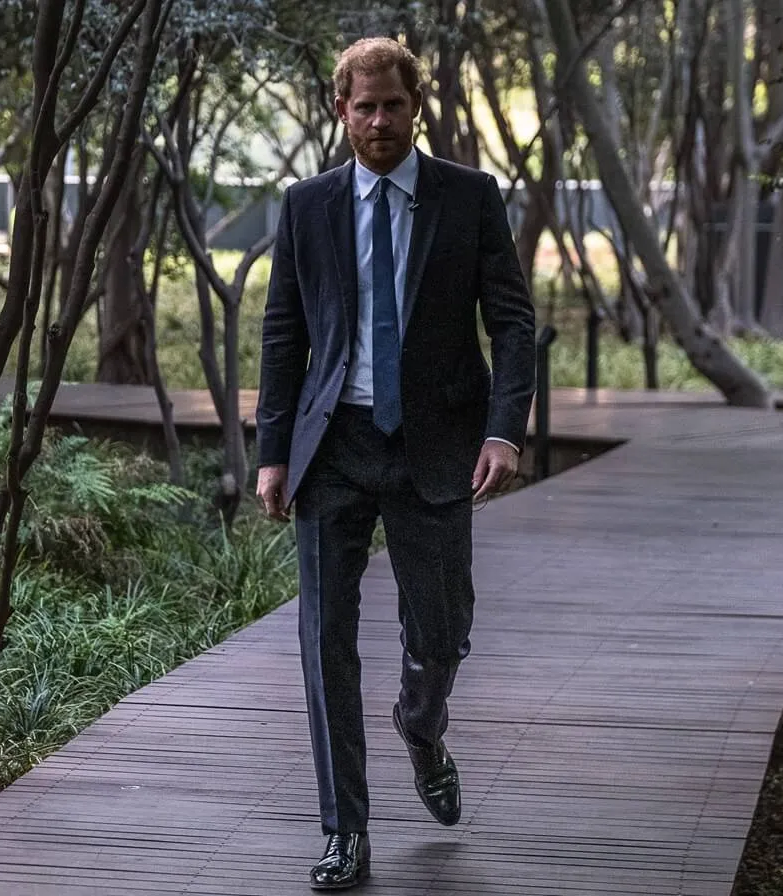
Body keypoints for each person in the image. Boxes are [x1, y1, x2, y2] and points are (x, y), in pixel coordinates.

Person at [255, 36, 536, 891]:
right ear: (340, 112)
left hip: (438, 445)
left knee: (442, 630)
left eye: (394, 105)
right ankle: (347, 831)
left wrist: (504, 430)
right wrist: (272, 452)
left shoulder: (469, 198)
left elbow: (513, 323)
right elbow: (284, 331)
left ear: (419, 106)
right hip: (333, 447)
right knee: (324, 641)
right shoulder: (308, 205)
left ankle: (421, 724)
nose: (380, 120)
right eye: (364, 106)